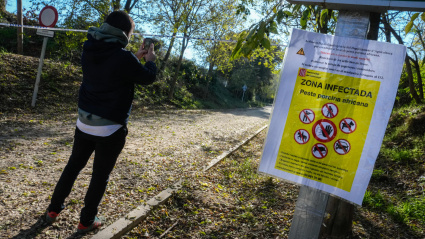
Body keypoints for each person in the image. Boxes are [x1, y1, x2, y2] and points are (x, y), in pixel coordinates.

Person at [44, 10, 157, 234]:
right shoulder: (122, 57)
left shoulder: (89, 48)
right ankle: (86, 221)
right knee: (99, 175)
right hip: (110, 128)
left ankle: (53, 210)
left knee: (73, 166)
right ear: (125, 33)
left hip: (84, 122)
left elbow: (111, 68)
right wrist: (150, 61)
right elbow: (147, 77)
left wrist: (135, 58)